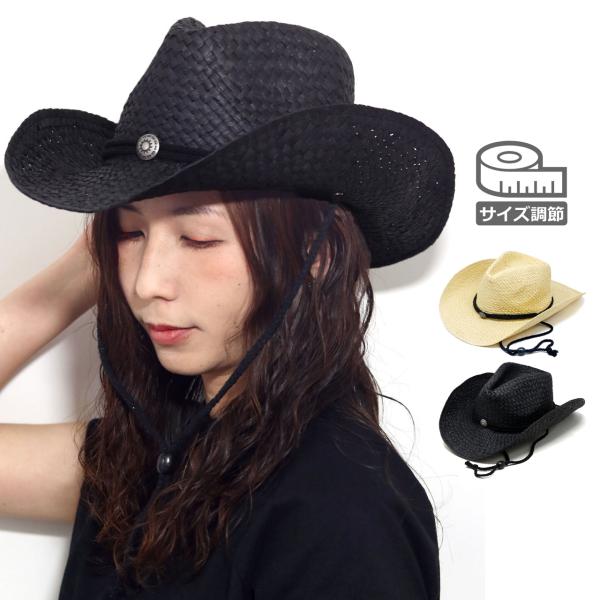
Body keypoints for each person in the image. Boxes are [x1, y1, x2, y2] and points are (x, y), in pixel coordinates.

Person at [1, 17, 455, 599]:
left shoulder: (342, 509)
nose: (146, 283)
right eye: (131, 235)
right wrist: (74, 276)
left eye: (198, 238)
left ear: (315, 254)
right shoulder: (143, 456)